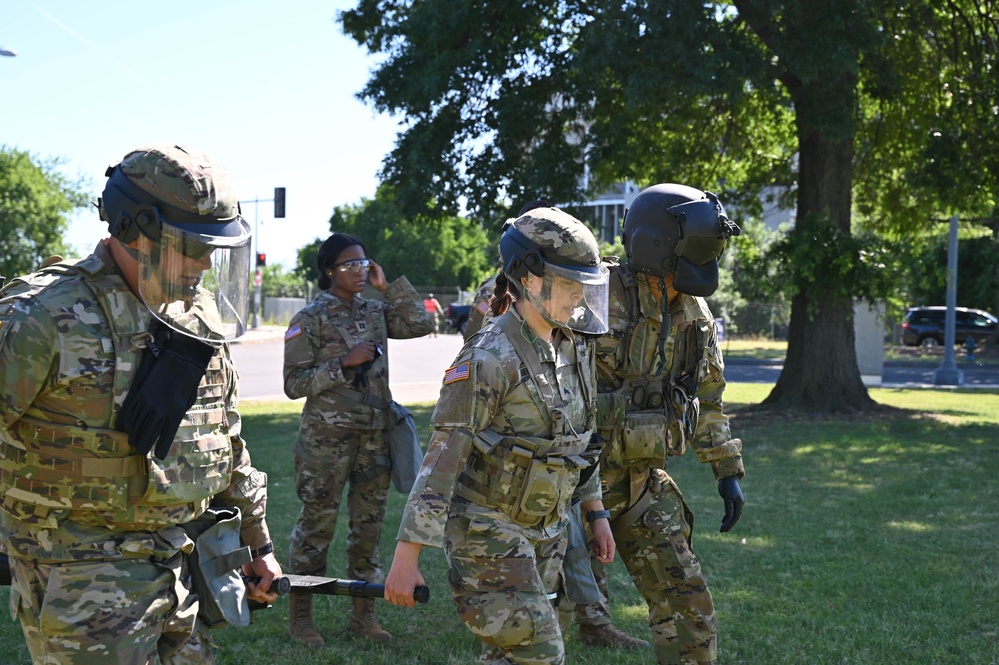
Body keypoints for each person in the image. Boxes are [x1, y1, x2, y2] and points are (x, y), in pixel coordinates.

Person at [0, 144, 281, 663]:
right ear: (136, 228)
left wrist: (257, 541)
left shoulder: (196, 319)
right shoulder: (41, 319)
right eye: (192, 245)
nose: (205, 262)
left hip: (182, 573)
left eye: (214, 247)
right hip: (82, 587)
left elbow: (225, 439)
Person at [384, 208, 615, 664]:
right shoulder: (489, 357)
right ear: (529, 280)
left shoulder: (572, 346)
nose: (579, 296)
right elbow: (441, 460)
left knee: (512, 656)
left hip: (545, 528)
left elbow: (579, 441)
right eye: (570, 282)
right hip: (485, 529)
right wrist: (406, 558)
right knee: (542, 651)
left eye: (585, 284)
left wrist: (596, 512)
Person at [584, 183, 746, 665]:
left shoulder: (695, 315)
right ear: (654, 246)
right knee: (528, 620)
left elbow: (708, 397)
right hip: (562, 487)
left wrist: (727, 470)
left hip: (638, 483)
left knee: (687, 603)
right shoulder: (588, 296)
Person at [283, 232, 432, 647]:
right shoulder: (308, 319)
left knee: (367, 532)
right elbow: (293, 384)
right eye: (350, 265)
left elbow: (421, 323)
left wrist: (390, 288)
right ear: (329, 271)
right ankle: (301, 619)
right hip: (325, 443)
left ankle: (363, 616)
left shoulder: (376, 311)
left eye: (364, 263)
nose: (360, 271)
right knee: (316, 530)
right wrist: (342, 364)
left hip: (374, 438)